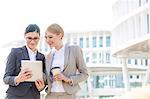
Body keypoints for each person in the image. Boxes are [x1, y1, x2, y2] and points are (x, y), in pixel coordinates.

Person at [44, 23, 89, 99]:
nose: (47, 40)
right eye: (46, 37)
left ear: (60, 36)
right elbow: (47, 79)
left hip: (68, 95)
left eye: (50, 37)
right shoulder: (48, 56)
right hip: (51, 95)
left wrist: (67, 79)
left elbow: (85, 74)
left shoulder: (74, 50)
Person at [3, 24, 45, 99]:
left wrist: (41, 87)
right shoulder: (15, 52)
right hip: (15, 96)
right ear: (24, 36)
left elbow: (43, 81)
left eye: (35, 38)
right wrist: (17, 79)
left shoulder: (42, 57)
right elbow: (6, 78)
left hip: (34, 96)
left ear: (39, 38)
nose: (32, 41)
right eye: (29, 38)